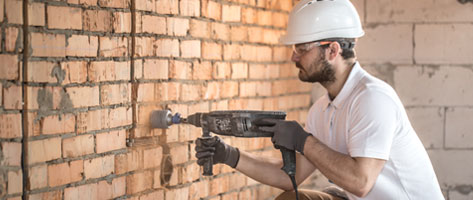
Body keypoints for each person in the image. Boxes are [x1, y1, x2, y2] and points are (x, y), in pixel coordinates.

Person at [195, 0, 444, 199]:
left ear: (332, 50)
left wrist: (303, 141)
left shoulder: (372, 99)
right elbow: (288, 176)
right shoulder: (322, 110)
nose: (294, 58)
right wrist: (230, 155)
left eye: (302, 49)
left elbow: (360, 183)